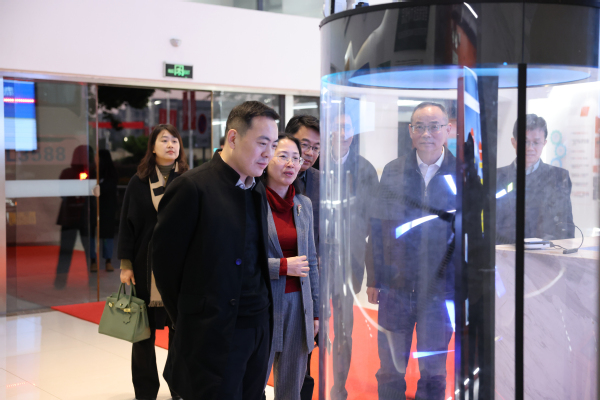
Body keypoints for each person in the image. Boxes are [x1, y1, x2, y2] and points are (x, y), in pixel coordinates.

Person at [151, 101, 279, 400]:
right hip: (213, 331)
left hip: (258, 326)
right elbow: (165, 266)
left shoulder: (257, 188)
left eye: (273, 145)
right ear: (233, 138)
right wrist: (194, 318)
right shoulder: (192, 187)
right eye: (262, 143)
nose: (269, 154)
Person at [366, 102, 455, 400]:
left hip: (441, 291)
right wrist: (374, 277)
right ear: (410, 130)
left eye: (434, 127)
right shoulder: (394, 170)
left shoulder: (463, 173)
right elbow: (378, 226)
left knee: (434, 370)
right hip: (396, 288)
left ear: (448, 129)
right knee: (390, 368)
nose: (427, 133)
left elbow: (471, 236)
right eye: (420, 127)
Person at [118, 124, 189, 400]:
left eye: (175, 140)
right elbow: (127, 225)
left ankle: (178, 386)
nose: (171, 145)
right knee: (143, 335)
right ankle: (145, 390)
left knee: (180, 333)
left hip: (181, 267)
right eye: (164, 140)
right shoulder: (139, 181)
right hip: (143, 266)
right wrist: (125, 265)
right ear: (153, 147)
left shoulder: (189, 179)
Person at [262, 134, 319, 400]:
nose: (291, 164)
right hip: (263, 303)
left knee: (290, 388)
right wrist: (282, 266)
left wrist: (315, 312)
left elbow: (311, 263)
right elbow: (240, 262)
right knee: (253, 384)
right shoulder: (252, 201)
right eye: (283, 156)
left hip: (298, 304)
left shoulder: (303, 205)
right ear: (266, 159)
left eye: (296, 158)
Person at [327, 112, 379, 400]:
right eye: (336, 126)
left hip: (349, 263)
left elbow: (374, 225)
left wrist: (373, 274)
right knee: (308, 325)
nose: (341, 132)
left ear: (353, 133)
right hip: (314, 262)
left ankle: (339, 387)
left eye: (346, 127)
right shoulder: (315, 163)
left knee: (344, 328)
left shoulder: (365, 169)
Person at [285, 114, 321, 399]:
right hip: (276, 285)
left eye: (316, 147)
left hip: (310, 286)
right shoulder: (263, 181)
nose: (309, 153)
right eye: (304, 145)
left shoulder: (323, 182)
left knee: (303, 365)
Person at [496, 114, 574, 243]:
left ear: (544, 143)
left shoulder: (559, 177)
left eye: (536, 142)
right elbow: (489, 225)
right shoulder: (496, 178)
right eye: (524, 142)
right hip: (506, 252)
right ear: (514, 142)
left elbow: (567, 227)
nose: (530, 148)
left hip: (547, 253)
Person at [54, 145, 96, 289]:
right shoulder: (91, 173)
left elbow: (63, 193)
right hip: (80, 216)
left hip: (72, 215)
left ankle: (60, 283)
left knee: (67, 251)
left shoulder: (69, 173)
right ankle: (93, 283)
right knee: (89, 252)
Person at [90, 149, 118, 272]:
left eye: (97, 156)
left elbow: (107, 188)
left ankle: (108, 261)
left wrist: (97, 188)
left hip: (107, 208)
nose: (95, 159)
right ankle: (93, 260)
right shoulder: (92, 171)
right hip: (93, 208)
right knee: (92, 235)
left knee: (107, 235)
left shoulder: (110, 173)